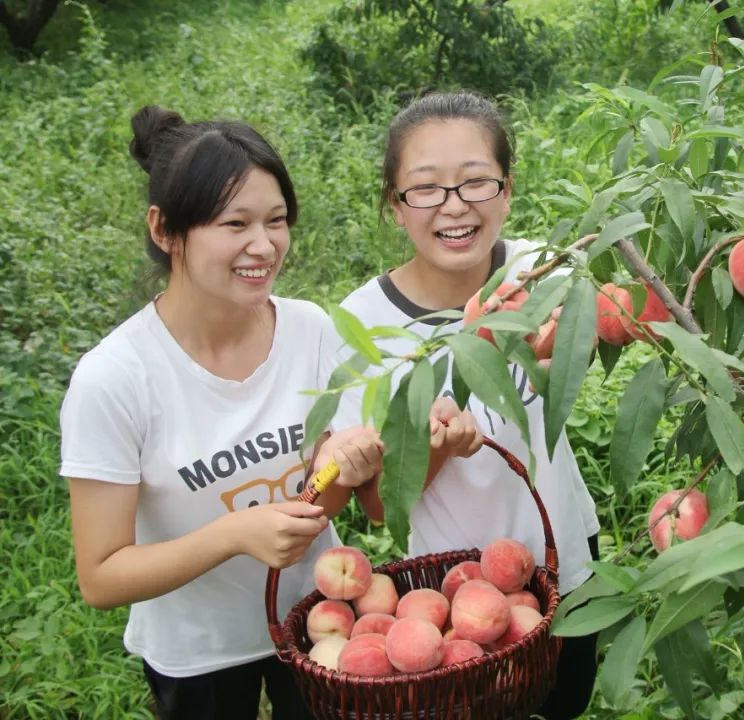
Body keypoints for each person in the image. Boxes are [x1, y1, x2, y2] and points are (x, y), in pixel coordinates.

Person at [58, 105, 480, 720]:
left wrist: (343, 466)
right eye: (235, 223)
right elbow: (102, 577)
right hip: (196, 652)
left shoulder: (309, 329)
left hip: (315, 623)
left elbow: (315, 502)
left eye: (277, 220)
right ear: (164, 229)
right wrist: (233, 536)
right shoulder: (116, 378)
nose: (264, 245)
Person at [334, 90, 601, 719]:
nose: (454, 206)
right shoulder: (363, 324)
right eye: (425, 188)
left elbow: (572, 371)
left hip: (567, 569)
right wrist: (435, 448)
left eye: (477, 182)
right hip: (450, 607)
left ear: (508, 190)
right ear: (394, 206)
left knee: (566, 704)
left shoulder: (545, 272)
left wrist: (578, 336)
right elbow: (377, 506)